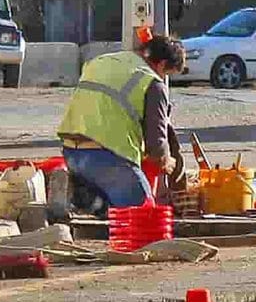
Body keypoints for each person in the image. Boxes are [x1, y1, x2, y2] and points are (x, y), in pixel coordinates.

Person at [56, 33, 186, 215]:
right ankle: (93, 203)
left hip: (72, 152)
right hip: (108, 158)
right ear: (162, 64)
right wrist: (166, 161)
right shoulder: (152, 82)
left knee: (111, 213)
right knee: (144, 213)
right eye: (166, 73)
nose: (163, 77)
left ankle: (91, 202)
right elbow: (156, 143)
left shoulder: (100, 61)